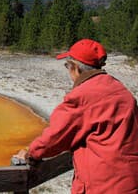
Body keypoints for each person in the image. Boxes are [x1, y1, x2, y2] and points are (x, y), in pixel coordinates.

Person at [14, 39, 138, 194]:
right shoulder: (120, 89)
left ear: (75, 67)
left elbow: (55, 137)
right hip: (130, 181)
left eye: (67, 65)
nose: (68, 71)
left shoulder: (82, 96)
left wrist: (30, 153)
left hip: (103, 186)